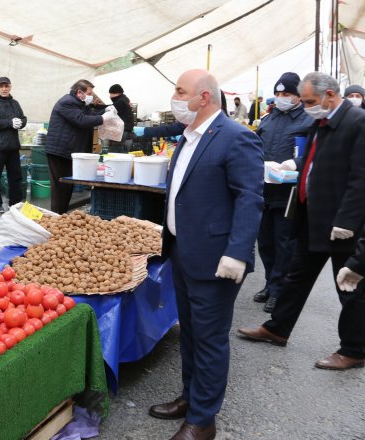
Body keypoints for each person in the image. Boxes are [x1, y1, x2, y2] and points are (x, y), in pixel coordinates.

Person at [148, 69, 263, 440]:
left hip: (216, 258)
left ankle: (203, 420)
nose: (175, 98)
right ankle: (190, 397)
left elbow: (250, 197)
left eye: (180, 91)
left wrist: (237, 253)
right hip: (183, 250)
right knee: (191, 334)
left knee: (210, 338)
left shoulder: (236, 137)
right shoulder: (188, 137)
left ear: (203, 97)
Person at [237, 72, 365, 371]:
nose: (306, 106)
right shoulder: (322, 121)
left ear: (330, 95)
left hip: (340, 222)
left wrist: (347, 219)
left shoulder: (357, 123)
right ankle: (278, 328)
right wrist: (291, 165)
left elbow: (361, 179)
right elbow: (309, 159)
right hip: (313, 215)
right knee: (297, 275)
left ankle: (355, 348)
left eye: (309, 101)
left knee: (349, 284)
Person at [253, 73, 313, 313]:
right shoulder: (268, 119)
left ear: (298, 96)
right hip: (265, 188)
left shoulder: (308, 120)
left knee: (284, 243)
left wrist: (294, 164)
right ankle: (270, 283)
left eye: (286, 94)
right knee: (265, 242)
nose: (281, 98)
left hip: (288, 191)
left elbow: (310, 154)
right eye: (278, 94)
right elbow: (256, 146)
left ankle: (279, 290)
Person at [45, 79, 119, 213]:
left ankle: (61, 215)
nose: (92, 96)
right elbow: (81, 120)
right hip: (59, 151)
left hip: (69, 151)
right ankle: (56, 217)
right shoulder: (67, 102)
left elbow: (90, 115)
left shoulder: (80, 104)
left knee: (67, 187)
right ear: (80, 92)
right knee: (60, 188)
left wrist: (105, 110)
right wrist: (104, 118)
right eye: (90, 93)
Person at [0, 77, 27, 213]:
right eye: (1, 86)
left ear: (10, 87)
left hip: (13, 146)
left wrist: (22, 122)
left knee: (15, 176)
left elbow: (23, 117)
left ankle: (15, 202)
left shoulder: (15, 103)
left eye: (6, 86)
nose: (4, 89)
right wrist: (9, 123)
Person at [107, 84, 135, 153]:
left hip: (121, 131)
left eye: (111, 94)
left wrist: (95, 114)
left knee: (114, 154)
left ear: (117, 93)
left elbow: (109, 111)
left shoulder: (120, 101)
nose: (110, 96)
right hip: (127, 131)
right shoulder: (124, 100)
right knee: (123, 154)